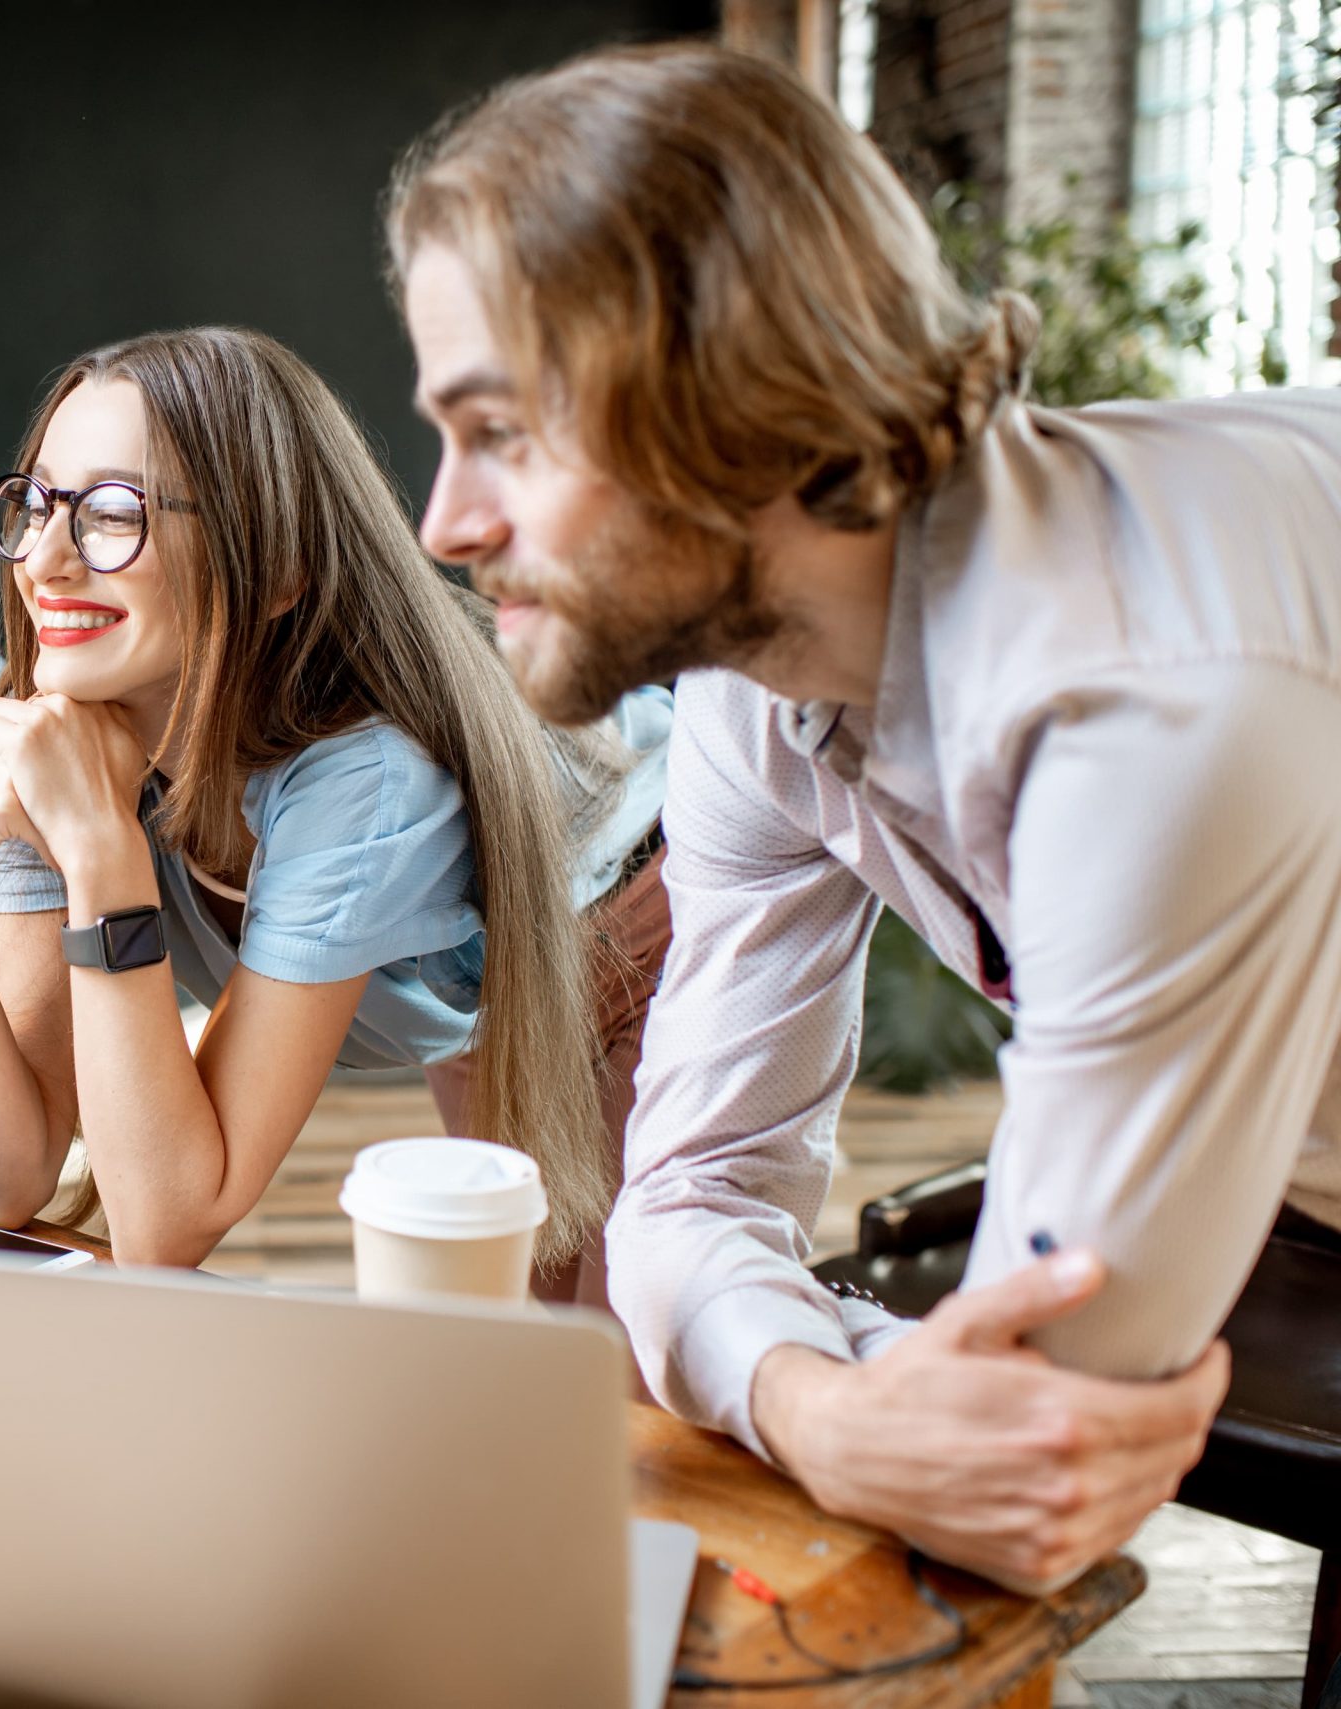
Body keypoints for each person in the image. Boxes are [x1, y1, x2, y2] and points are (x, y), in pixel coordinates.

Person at [387, 41, 1341, 1591]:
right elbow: (682, 1196)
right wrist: (816, 1408)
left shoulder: (1154, 706)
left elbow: (1042, 1426)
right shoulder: (760, 684)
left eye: (503, 432)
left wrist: (837, 1394)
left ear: (726, 397)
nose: (445, 523)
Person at [0, 326, 668, 1272]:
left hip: (654, 907)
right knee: (516, 1341)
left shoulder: (365, 777)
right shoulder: (52, 744)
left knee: (637, 1372)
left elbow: (170, 1219)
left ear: (277, 571)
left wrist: (103, 858)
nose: (45, 559)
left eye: (112, 512)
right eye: (38, 503)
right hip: (481, 975)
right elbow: (8, 1176)